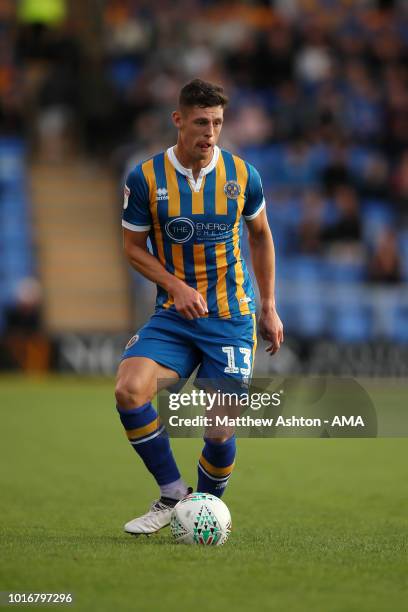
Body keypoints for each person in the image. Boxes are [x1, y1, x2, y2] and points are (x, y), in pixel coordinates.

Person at [115, 78, 284, 535]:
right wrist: (175, 284)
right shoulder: (145, 178)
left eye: (217, 123)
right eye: (201, 122)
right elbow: (132, 247)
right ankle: (173, 494)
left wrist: (268, 306)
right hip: (174, 315)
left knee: (218, 429)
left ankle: (205, 512)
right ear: (178, 120)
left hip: (230, 319)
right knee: (130, 389)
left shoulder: (244, 175)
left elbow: (261, 236)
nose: (210, 132)